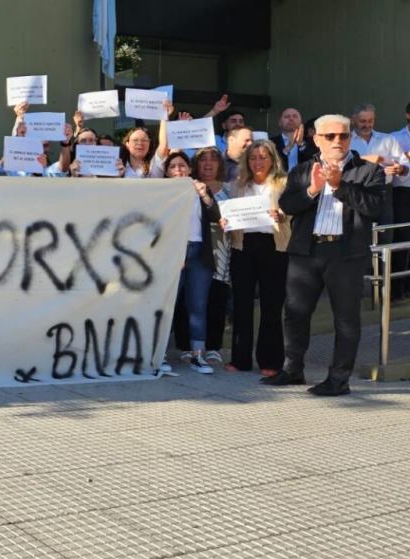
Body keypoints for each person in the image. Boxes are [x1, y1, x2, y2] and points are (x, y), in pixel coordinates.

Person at [264, 114, 384, 396]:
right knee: (294, 313)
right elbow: (288, 204)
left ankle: (338, 380)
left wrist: (340, 185)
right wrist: (313, 190)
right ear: (316, 139)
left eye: (343, 136)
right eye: (329, 136)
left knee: (345, 318)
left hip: (346, 254)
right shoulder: (303, 170)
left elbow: (374, 208)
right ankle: (293, 370)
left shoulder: (368, 171)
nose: (337, 141)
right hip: (306, 250)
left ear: (350, 138)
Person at [223, 140, 290, 376]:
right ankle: (240, 359)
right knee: (241, 304)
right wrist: (225, 222)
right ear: (246, 161)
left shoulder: (283, 184)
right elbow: (228, 214)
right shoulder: (237, 185)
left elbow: (292, 214)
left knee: (271, 305)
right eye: (253, 158)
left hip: (274, 246)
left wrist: (280, 216)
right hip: (243, 247)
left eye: (263, 157)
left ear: (272, 159)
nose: (258, 162)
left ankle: (270, 361)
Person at [163, 151, 221, 375]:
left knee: (197, 305)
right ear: (166, 172)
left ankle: (198, 354)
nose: (178, 170)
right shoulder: (161, 192)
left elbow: (216, 215)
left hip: (199, 252)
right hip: (171, 254)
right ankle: (161, 354)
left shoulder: (200, 189)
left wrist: (205, 196)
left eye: (182, 166)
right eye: (173, 167)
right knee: (169, 305)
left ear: (189, 169)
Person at [350, 102, 409, 226]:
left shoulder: (387, 139)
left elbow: (405, 165)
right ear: (353, 120)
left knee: (385, 237)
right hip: (355, 192)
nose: (367, 125)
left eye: (370, 121)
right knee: (358, 237)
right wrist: (368, 159)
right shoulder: (346, 141)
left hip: (383, 193)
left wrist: (399, 169)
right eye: (363, 121)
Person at [392, 101, 410, 299]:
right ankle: (397, 288)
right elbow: (391, 165)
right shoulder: (395, 138)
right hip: (403, 193)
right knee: (402, 238)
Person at [277, 107, 311, 172]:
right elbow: (272, 162)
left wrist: (301, 144)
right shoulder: (271, 142)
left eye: (295, 116)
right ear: (279, 122)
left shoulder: (312, 141)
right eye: (287, 117)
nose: (291, 119)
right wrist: (288, 147)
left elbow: (313, 160)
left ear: (301, 122)